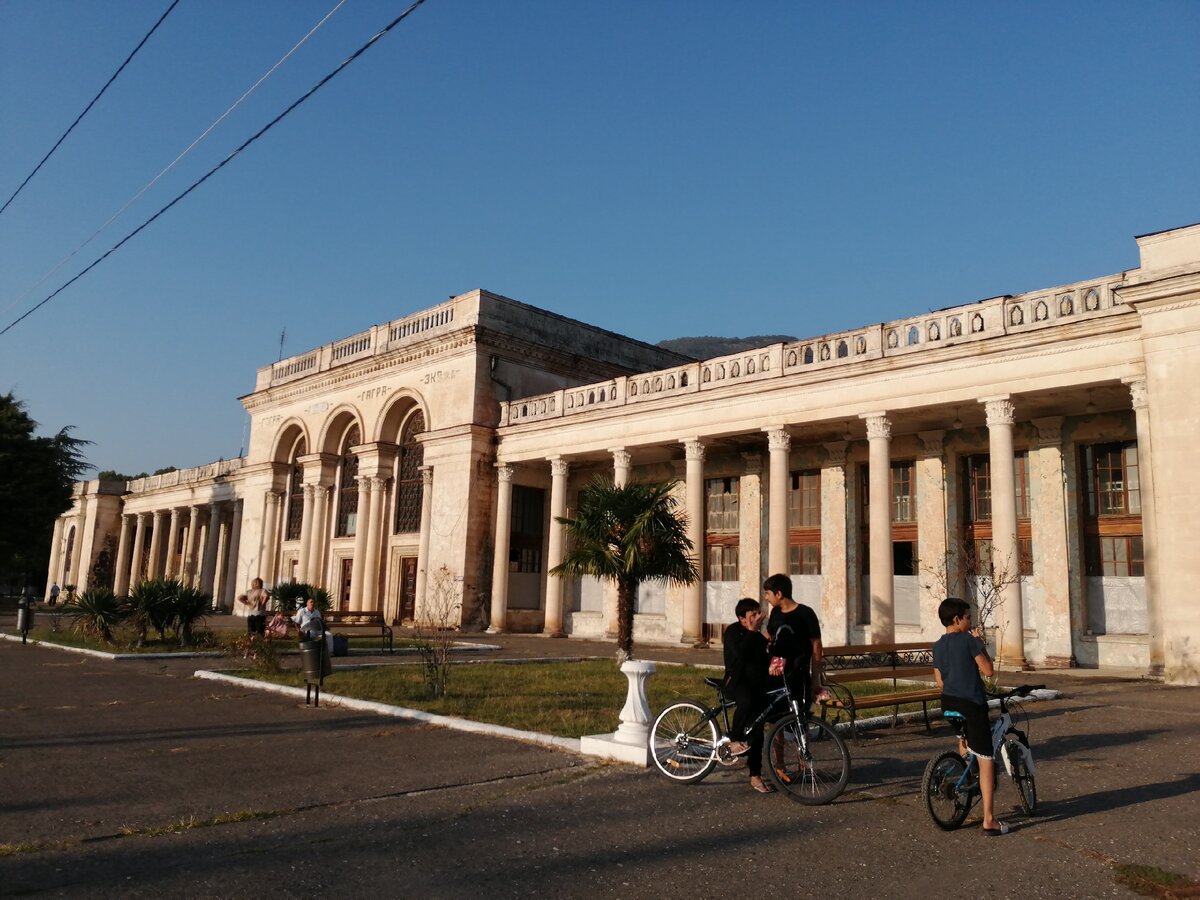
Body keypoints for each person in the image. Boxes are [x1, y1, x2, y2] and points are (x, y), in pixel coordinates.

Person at [932, 597, 1008, 836]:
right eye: (967, 617)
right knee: (986, 758)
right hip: (971, 705)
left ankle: (966, 781)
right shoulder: (968, 640)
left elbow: (940, 682)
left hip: (948, 704)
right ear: (956, 619)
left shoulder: (938, 645)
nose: (970, 621)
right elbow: (988, 670)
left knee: (964, 739)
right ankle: (989, 819)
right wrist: (980, 644)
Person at [723, 598, 773, 794]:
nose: (756, 618)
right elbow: (741, 656)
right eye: (752, 615)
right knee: (747, 702)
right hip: (735, 682)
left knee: (757, 729)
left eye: (758, 614)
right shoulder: (733, 632)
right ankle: (733, 739)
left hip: (755, 684)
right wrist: (753, 632)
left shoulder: (757, 635)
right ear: (742, 618)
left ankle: (755, 776)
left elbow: (764, 657)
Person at [762, 573, 825, 704]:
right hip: (776, 673)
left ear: (778, 594)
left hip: (798, 673)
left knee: (799, 713)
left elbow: (816, 646)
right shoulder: (775, 612)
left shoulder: (806, 613)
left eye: (767, 593)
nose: (765, 597)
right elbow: (768, 635)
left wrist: (815, 678)